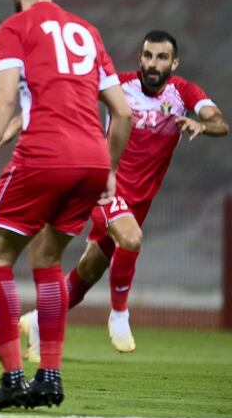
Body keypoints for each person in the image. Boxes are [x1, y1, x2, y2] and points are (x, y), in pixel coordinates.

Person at [0, 0, 132, 410]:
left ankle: (13, 377)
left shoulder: (15, 29)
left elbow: (4, 99)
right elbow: (121, 112)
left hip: (45, 153)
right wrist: (111, 169)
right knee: (48, 257)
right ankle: (51, 377)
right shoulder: (87, 31)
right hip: (91, 159)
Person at [17, 30, 228, 360]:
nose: (152, 63)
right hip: (104, 185)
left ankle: (39, 322)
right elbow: (74, 94)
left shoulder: (183, 93)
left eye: (161, 57)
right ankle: (119, 316)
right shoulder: (121, 87)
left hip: (139, 201)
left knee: (89, 273)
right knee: (131, 239)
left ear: (174, 62)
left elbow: (219, 122)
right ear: (140, 58)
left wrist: (203, 125)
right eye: (147, 56)